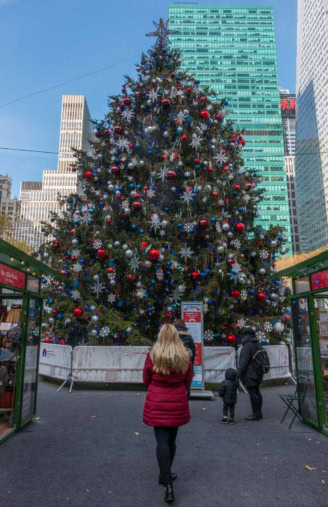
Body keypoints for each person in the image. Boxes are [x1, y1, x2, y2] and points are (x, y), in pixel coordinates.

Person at [143, 324, 193, 504]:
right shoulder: (185, 356)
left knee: (161, 442)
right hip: (177, 400)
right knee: (172, 440)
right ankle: (166, 474)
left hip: (157, 400)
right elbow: (188, 381)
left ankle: (167, 481)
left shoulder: (153, 355)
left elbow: (146, 379)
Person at [238, 327, 263, 421]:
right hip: (258, 371)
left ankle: (255, 414)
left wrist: (239, 374)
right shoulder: (257, 342)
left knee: (252, 392)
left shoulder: (247, 345)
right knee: (257, 391)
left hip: (250, 372)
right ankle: (259, 413)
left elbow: (244, 361)